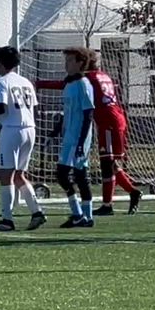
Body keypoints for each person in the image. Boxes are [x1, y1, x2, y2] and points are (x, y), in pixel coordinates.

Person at [37, 52, 141, 215]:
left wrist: (38, 83)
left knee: (106, 164)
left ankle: (107, 205)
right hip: (114, 118)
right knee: (111, 164)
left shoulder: (87, 79)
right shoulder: (103, 75)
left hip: (108, 122)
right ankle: (132, 192)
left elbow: (63, 84)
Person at [0, 46, 46, 231]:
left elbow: (1, 107)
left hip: (12, 130)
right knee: (19, 175)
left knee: (6, 175)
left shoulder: (1, 82)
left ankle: (7, 219)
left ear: (2, 63)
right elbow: (35, 109)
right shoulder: (26, 82)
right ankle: (36, 212)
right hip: (30, 129)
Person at [54, 48, 96, 228]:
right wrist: (56, 130)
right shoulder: (69, 84)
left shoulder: (83, 84)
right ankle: (86, 216)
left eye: (70, 60)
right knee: (79, 175)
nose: (66, 64)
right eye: (66, 60)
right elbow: (67, 111)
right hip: (69, 136)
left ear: (80, 63)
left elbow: (88, 114)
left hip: (78, 138)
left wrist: (82, 141)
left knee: (63, 174)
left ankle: (79, 214)